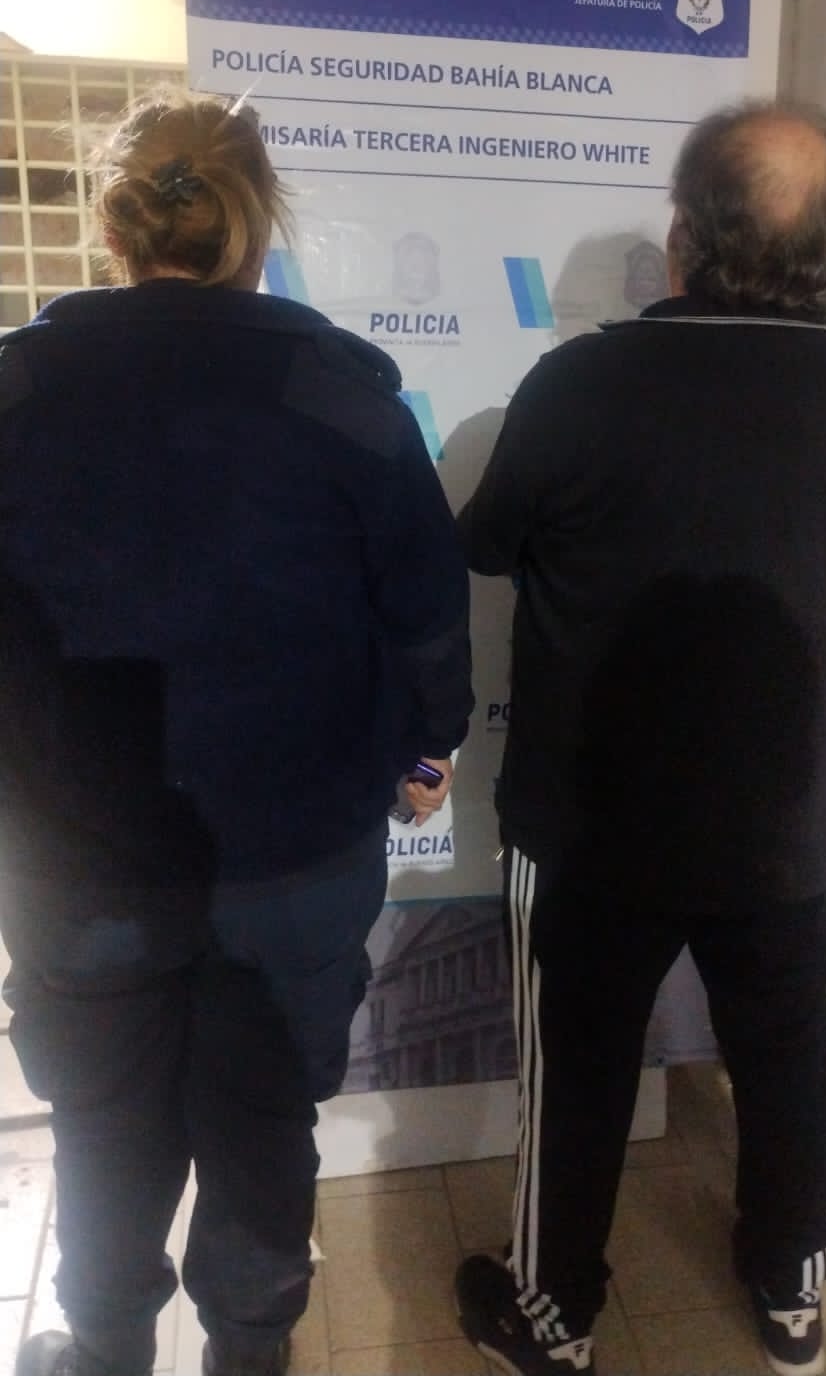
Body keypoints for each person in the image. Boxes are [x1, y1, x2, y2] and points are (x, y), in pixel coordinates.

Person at [0, 87, 473, 1376]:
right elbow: (427, 624)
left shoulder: (15, 391)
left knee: (104, 1127)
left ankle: (105, 1350)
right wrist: (424, 754)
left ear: (113, 228)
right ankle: (250, 1355)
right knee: (265, 1125)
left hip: (78, 863)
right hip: (295, 864)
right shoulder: (347, 398)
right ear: (259, 227)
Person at [453, 102, 826, 1376]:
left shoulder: (579, 382)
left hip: (587, 830)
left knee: (578, 1077)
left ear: (682, 239)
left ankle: (555, 1318)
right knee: (789, 1059)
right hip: (791, 830)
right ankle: (793, 1298)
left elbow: (485, 545)